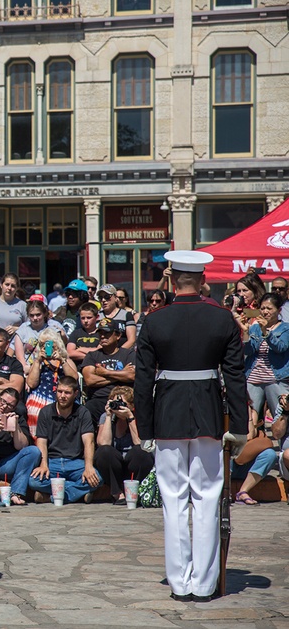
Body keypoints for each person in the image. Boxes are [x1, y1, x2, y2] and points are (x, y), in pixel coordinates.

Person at [133, 250, 248, 603]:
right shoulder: (222, 318)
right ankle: (203, 582)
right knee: (208, 496)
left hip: (167, 414)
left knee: (174, 499)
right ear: (202, 281)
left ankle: (180, 582)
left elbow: (141, 381)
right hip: (209, 414)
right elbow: (234, 377)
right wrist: (241, 426)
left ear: (171, 279)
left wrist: (146, 428)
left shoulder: (155, 320)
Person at [27, 376, 101, 504]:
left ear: (75, 393)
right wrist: (44, 464)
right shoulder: (45, 412)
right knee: (33, 481)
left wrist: (88, 467)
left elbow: (89, 441)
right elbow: (42, 441)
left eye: (67, 393)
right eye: (60, 391)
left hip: (75, 463)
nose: (62, 396)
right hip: (52, 462)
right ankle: (76, 493)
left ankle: (49, 497)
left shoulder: (83, 412)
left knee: (97, 479)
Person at [92, 386, 154, 505]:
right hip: (115, 466)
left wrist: (130, 417)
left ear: (131, 405)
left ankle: (132, 491)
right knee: (104, 452)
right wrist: (109, 416)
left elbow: (140, 443)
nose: (119, 407)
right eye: (116, 403)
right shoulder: (105, 417)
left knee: (141, 452)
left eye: (123, 404)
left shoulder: (138, 418)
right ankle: (116, 493)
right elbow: (103, 443)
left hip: (133, 465)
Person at [23, 329, 79, 437]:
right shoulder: (38, 361)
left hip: (63, 395)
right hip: (40, 395)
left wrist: (62, 361)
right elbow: (31, 384)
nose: (46, 347)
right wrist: (38, 361)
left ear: (57, 345)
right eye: (43, 344)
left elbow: (73, 379)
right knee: (35, 410)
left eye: (49, 344)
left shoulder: (66, 360)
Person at [80, 318, 136, 424]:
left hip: (124, 398)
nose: (102, 336)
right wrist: (121, 374)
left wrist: (105, 372)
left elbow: (132, 376)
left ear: (118, 335)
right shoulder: (92, 356)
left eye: (107, 333)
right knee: (87, 409)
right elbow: (90, 380)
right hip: (99, 399)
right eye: (100, 333)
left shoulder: (129, 354)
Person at [243, 293, 288, 423]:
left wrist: (266, 333)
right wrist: (246, 332)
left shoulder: (285, 328)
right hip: (253, 377)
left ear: (278, 310)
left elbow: (280, 347)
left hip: (276, 378)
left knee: (281, 417)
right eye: (262, 308)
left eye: (269, 308)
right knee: (249, 417)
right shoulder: (255, 327)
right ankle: (254, 440)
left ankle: (284, 443)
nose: (265, 312)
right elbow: (248, 350)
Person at [14, 300, 66, 374]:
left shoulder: (53, 330)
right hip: (29, 369)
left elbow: (61, 351)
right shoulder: (22, 331)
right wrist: (26, 370)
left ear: (44, 314)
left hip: (50, 369)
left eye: (38, 315)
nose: (35, 318)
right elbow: (20, 357)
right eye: (31, 315)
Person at [95, 284, 137, 349]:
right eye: (100, 298)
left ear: (115, 298)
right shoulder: (96, 316)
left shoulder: (126, 315)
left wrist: (117, 354)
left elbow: (131, 340)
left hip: (122, 355)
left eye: (107, 297)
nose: (103, 300)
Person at [0, 273, 28, 341]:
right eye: (7, 284)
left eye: (13, 286)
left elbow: (30, 326)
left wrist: (17, 329)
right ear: (1, 285)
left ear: (17, 288)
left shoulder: (22, 305)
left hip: (14, 344)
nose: (9, 288)